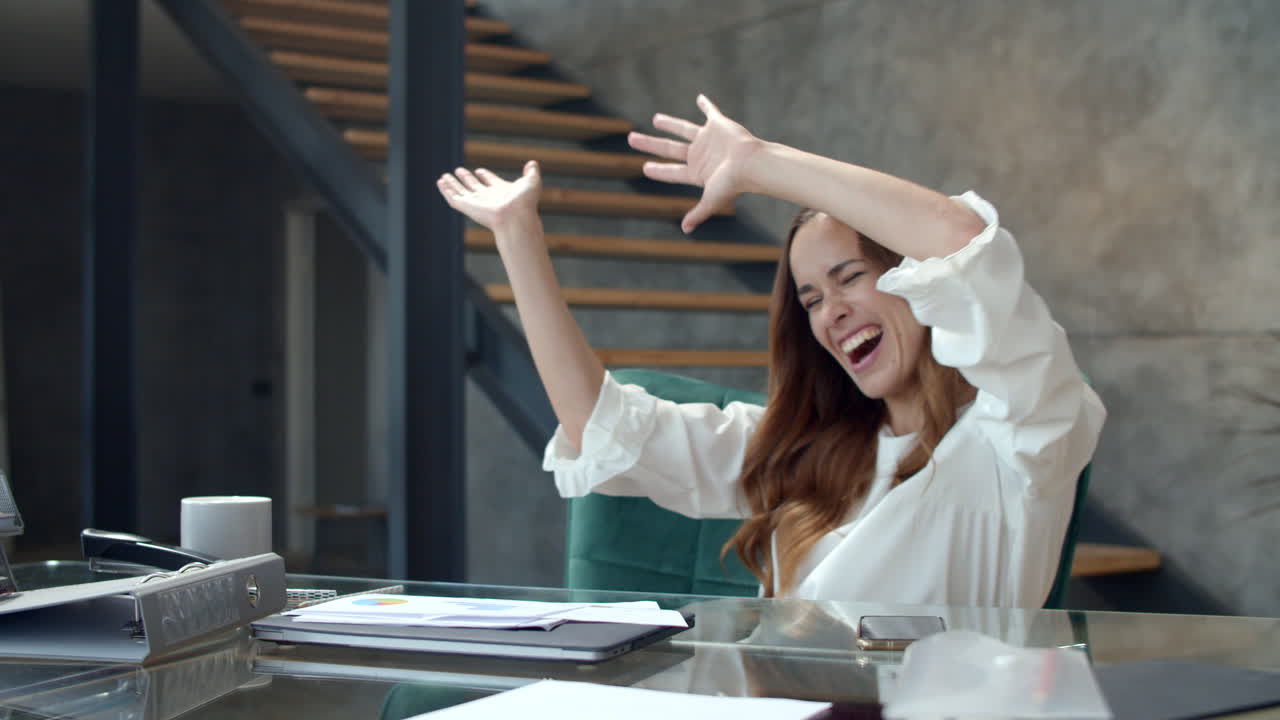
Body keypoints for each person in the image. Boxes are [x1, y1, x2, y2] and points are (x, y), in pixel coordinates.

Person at [436, 94, 1105, 608]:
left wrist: (759, 164)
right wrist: (516, 234)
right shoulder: (804, 449)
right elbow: (598, 427)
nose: (833, 312)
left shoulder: (1022, 430)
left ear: (915, 281)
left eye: (851, 277)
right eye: (811, 299)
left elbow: (961, 239)